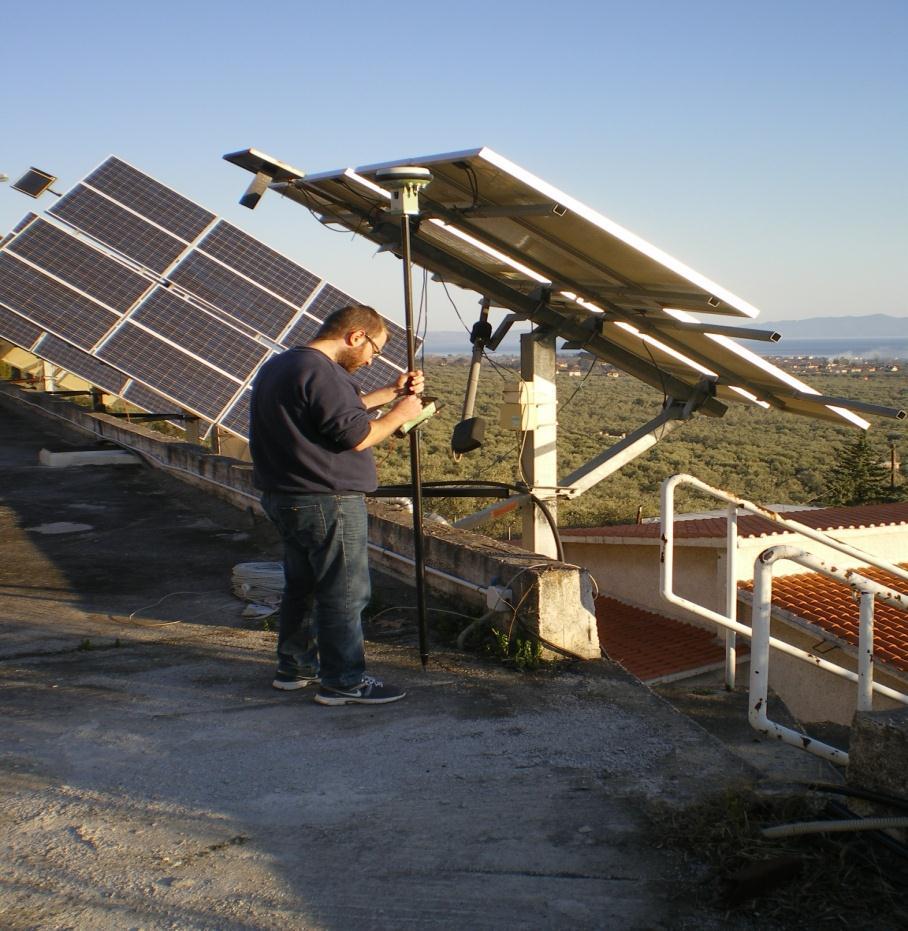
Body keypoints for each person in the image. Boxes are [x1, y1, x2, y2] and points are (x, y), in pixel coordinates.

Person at [249, 304, 424, 706]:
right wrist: (401, 413)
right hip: (326, 500)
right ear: (356, 335)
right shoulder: (325, 373)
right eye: (373, 350)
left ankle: (294, 669)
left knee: (302, 587)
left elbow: (330, 416)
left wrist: (390, 393)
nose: (370, 359)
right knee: (344, 593)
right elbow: (356, 436)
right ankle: (344, 681)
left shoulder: (286, 364)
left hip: (286, 496)